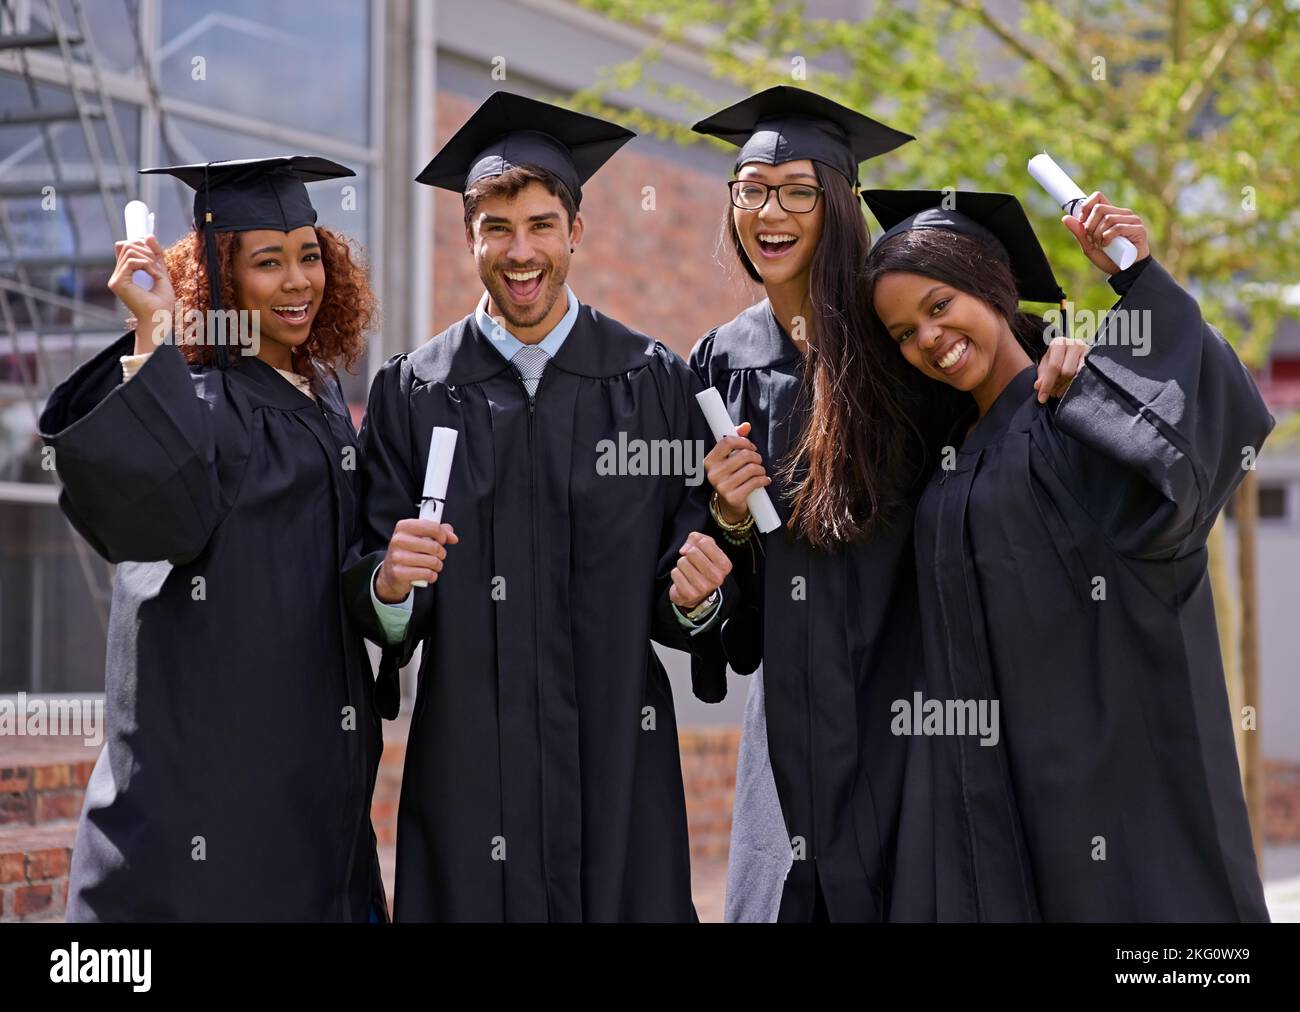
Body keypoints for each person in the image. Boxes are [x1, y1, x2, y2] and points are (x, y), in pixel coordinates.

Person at [344, 92, 737, 922]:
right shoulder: (415, 391)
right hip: (470, 763)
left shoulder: (651, 381)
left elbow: (685, 572)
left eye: (540, 226)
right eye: (497, 228)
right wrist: (387, 587)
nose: (520, 252)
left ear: (575, 233)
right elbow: (376, 591)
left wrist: (699, 595)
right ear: (470, 237)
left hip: (615, 756)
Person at [863, 187, 1272, 921]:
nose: (927, 339)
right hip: (986, 787)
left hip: (1113, 778)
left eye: (938, 305)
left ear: (992, 287)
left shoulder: (1078, 408)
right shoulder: (946, 457)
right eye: (902, 334)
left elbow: (1190, 457)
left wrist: (1135, 278)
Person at [38, 156, 387, 922]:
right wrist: (152, 332)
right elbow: (152, 518)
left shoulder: (322, 397)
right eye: (268, 262)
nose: (299, 281)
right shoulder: (198, 399)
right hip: (209, 805)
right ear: (221, 278)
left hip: (319, 796)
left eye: (309, 256)